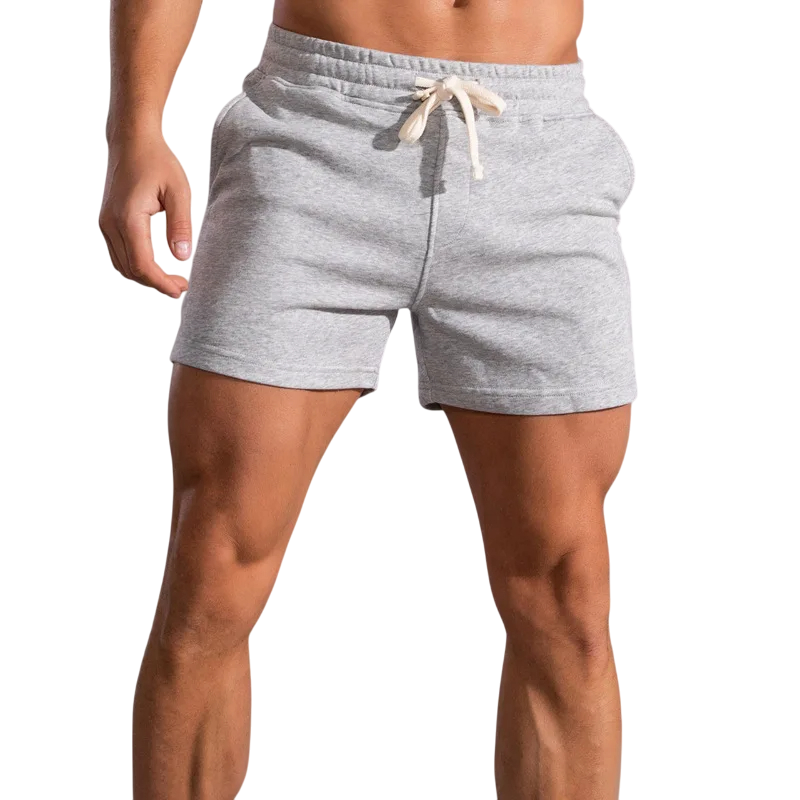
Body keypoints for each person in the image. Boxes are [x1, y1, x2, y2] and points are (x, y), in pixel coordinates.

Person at [99, 0, 636, 797]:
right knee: (213, 570)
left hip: (538, 151)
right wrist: (134, 128)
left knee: (565, 597)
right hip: (313, 135)